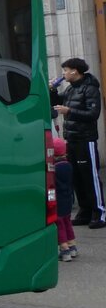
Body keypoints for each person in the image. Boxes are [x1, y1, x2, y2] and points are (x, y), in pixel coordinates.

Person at [53, 57, 106, 229]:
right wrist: (52, 90)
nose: (64, 74)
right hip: (72, 138)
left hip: (86, 139)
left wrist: (69, 111)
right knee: (76, 177)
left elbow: (93, 114)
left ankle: (100, 212)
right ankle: (85, 211)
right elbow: (56, 101)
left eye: (65, 70)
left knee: (90, 176)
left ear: (75, 71)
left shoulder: (90, 89)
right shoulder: (70, 89)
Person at [53, 137, 78, 261]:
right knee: (68, 223)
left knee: (60, 225)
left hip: (58, 201)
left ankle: (64, 250)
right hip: (68, 198)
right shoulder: (68, 165)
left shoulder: (54, 169)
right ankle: (72, 246)